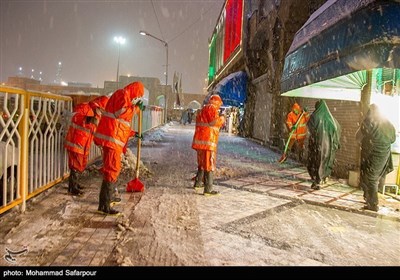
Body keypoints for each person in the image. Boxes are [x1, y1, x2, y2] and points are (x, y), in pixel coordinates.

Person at [94, 81, 145, 215]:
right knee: (112, 170)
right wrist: (136, 109)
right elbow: (120, 113)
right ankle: (105, 205)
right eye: (138, 94)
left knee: (111, 170)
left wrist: (134, 133)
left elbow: (122, 124)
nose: (136, 98)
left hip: (113, 139)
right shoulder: (123, 94)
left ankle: (106, 201)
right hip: (111, 140)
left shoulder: (125, 97)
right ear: (134, 90)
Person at [64, 95, 109, 196]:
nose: (101, 112)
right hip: (75, 141)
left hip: (83, 143)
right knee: (75, 165)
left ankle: (74, 184)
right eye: (101, 109)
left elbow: (94, 131)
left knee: (79, 164)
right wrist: (87, 119)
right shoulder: (85, 107)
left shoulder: (96, 115)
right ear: (98, 106)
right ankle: (72, 188)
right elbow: (74, 116)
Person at [357, 104, 396, 212]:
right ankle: (369, 200)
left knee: (370, 178)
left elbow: (361, 135)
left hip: (373, 153)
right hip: (384, 154)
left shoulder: (369, 121)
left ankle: (373, 204)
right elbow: (393, 139)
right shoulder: (387, 123)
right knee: (372, 177)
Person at [192, 94, 225, 196]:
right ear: (217, 102)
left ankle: (198, 183)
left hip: (200, 141)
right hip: (208, 142)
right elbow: (213, 122)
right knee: (209, 165)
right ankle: (208, 189)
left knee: (202, 164)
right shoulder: (212, 108)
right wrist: (222, 119)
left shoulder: (203, 109)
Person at [306, 100, 341, 190]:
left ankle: (316, 181)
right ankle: (322, 178)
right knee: (324, 162)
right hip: (329, 146)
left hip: (317, 144)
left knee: (314, 162)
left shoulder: (315, 116)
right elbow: (337, 131)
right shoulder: (332, 120)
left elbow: (310, 128)